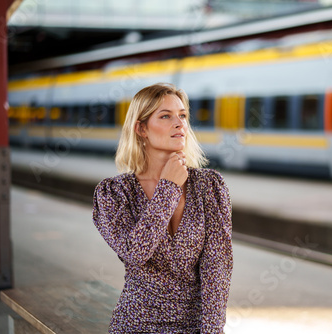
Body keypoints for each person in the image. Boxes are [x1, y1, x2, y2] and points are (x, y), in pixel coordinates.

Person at [92, 83, 233, 333]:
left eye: (183, 115)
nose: (179, 124)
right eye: (166, 116)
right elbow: (135, 253)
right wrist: (167, 188)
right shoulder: (114, 193)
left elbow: (217, 270)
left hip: (195, 326)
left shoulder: (209, 186)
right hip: (137, 324)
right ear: (141, 128)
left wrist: (212, 331)